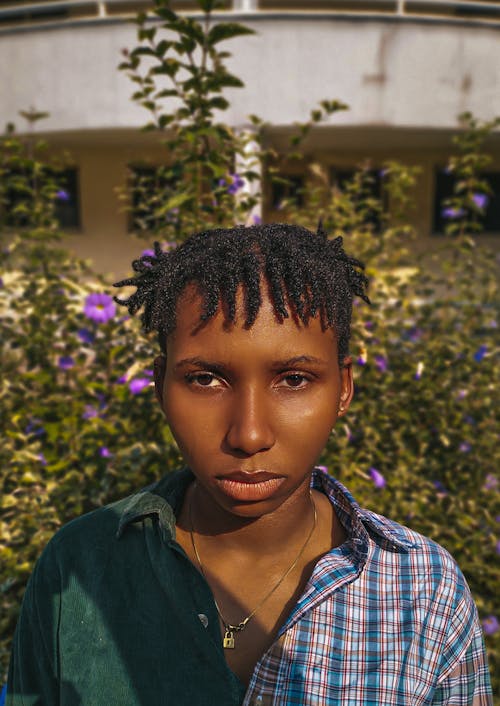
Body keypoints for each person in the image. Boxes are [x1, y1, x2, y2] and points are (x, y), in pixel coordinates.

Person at [7, 223, 492, 705]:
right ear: (160, 387)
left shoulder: (423, 590)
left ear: (343, 388)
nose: (249, 435)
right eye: (205, 380)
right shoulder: (80, 568)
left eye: (295, 379)